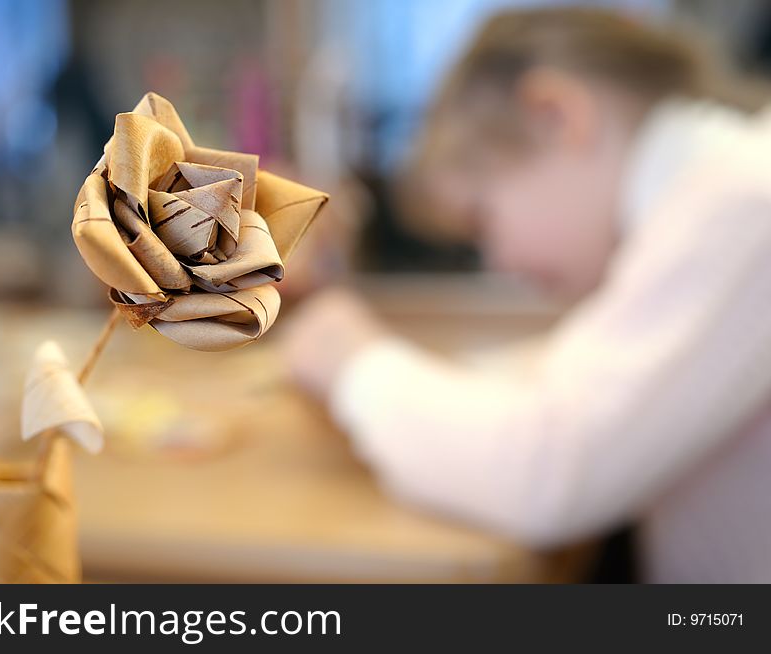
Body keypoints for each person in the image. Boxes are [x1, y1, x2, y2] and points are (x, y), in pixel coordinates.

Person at [280, 7, 771, 583]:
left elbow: (551, 470)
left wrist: (353, 362)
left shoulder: (743, 200)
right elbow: (565, 384)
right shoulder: (703, 199)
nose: (500, 262)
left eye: (483, 218)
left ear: (556, 116)